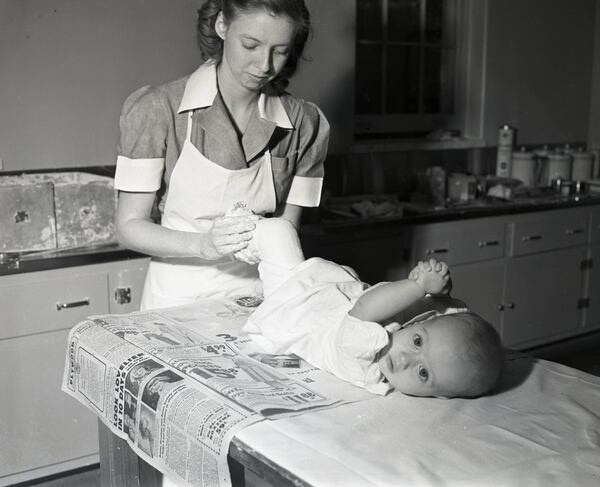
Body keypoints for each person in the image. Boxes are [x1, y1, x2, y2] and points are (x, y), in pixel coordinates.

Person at [114, 0, 328, 310]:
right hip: (176, 299)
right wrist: (203, 244)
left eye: (279, 51)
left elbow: (286, 229)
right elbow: (129, 227)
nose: (265, 65)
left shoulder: (304, 124)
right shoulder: (158, 110)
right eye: (251, 45)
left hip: (259, 294)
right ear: (222, 25)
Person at [243, 217, 504, 398]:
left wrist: (418, 286)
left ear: (439, 396)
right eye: (416, 341)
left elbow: (367, 306)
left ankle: (231, 232)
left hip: (290, 305)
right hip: (330, 289)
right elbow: (451, 313)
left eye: (423, 373)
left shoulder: (362, 363)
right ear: (421, 322)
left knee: (277, 231)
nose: (404, 360)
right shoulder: (421, 333)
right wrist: (440, 292)